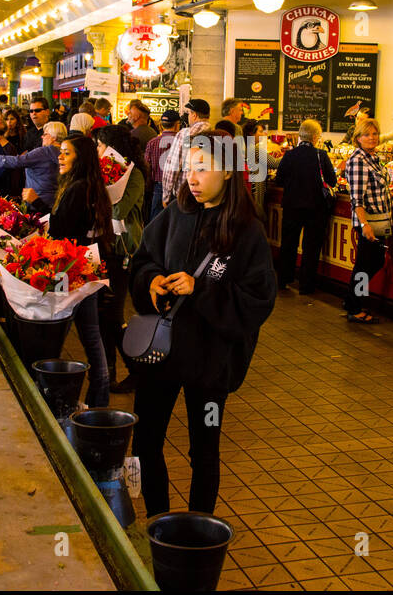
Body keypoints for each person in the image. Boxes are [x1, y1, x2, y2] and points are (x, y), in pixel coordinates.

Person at [129, 134, 276, 517]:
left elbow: (258, 300)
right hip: (161, 354)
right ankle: (156, 518)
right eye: (189, 168)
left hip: (210, 362)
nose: (192, 179)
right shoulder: (176, 214)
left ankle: (197, 528)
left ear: (227, 171)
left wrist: (202, 289)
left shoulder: (247, 231)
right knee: (146, 440)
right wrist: (151, 281)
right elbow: (143, 259)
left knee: (204, 448)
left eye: (203, 168)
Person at [49, 133, 115, 406]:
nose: (60, 157)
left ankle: (51, 390)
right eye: (60, 151)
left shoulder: (77, 188)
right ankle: (99, 396)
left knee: (56, 334)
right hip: (86, 267)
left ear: (81, 157)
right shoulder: (91, 186)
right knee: (91, 335)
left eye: (66, 152)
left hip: (69, 271)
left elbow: (62, 231)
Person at [94, 125, 148, 394]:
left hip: (122, 250)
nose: (98, 151)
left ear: (113, 148)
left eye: (101, 146)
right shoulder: (100, 174)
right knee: (103, 315)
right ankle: (109, 372)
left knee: (112, 314)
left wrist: (100, 192)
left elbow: (119, 209)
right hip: (102, 247)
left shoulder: (134, 175)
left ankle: (138, 369)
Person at [275, 119, 336, 296]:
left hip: (292, 206)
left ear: (300, 135)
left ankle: (284, 279)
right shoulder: (321, 155)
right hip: (316, 208)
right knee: (311, 247)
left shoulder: (289, 155)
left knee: (288, 243)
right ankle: (306, 285)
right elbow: (331, 181)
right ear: (316, 136)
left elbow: (279, 179)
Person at [344, 119, 393, 323]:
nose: (372, 138)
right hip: (370, 221)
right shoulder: (358, 161)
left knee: (371, 263)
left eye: (374, 134)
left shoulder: (373, 157)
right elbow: (357, 198)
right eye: (366, 135)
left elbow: (378, 185)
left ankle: (354, 301)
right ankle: (355, 307)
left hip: (380, 219)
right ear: (358, 138)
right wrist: (365, 225)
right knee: (366, 265)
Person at [0, 121, 66, 214]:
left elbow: (18, 161)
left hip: (36, 201)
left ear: (53, 137)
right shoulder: (65, 154)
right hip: (55, 202)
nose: (42, 136)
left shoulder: (44, 152)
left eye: (45, 134)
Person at [161, 98, 212, 206]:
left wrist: (166, 195)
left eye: (189, 113)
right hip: (206, 194)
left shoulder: (185, 134)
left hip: (184, 193)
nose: (188, 117)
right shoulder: (215, 134)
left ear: (194, 115)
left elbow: (172, 166)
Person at [145, 109, 180, 220]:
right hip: (178, 187)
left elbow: (147, 167)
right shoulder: (182, 142)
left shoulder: (152, 142)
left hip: (158, 187)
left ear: (161, 125)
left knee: (155, 222)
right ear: (177, 125)